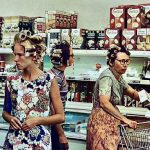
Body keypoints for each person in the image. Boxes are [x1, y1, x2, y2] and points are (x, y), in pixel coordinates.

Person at [2, 30, 65, 150]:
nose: (15, 59)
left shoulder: (49, 80)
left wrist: (37, 120)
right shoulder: (11, 80)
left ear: (34, 55)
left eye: (20, 55)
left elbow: (60, 116)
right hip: (14, 141)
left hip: (39, 143)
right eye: (14, 54)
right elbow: (5, 112)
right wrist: (9, 118)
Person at [86, 46, 140, 150]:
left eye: (127, 61)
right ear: (111, 62)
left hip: (111, 123)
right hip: (101, 123)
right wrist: (125, 119)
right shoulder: (107, 77)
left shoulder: (118, 77)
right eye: (121, 61)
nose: (125, 65)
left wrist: (147, 98)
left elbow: (133, 93)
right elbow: (104, 103)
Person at [49, 40, 74, 150]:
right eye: (71, 55)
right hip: (54, 126)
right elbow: (52, 108)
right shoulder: (57, 78)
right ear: (65, 59)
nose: (73, 58)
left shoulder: (56, 73)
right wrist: (61, 134)